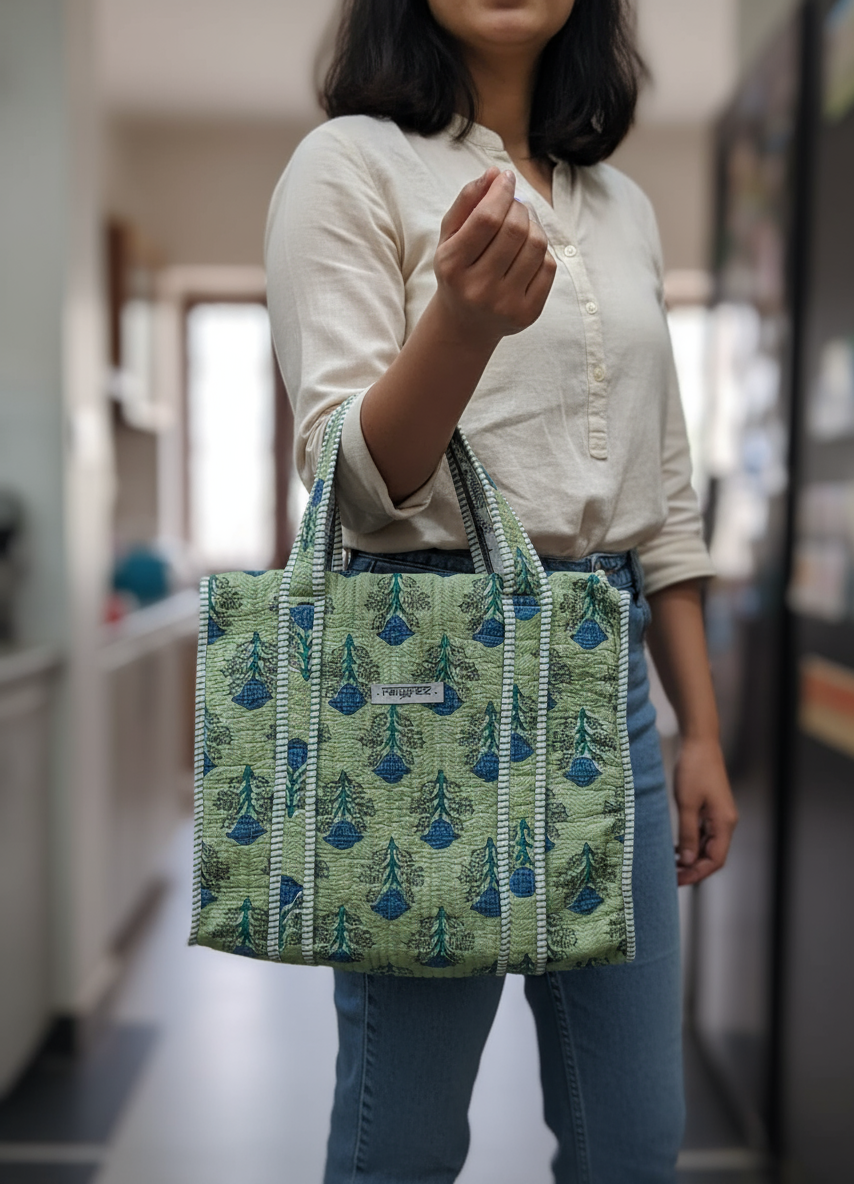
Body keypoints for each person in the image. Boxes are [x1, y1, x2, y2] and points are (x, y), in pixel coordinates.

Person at [265, 1, 738, 1179]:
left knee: (633, 1135)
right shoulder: (349, 165)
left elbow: (663, 489)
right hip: (423, 671)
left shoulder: (622, 205)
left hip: (608, 671)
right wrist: (462, 329)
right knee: (407, 1137)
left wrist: (700, 729)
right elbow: (354, 486)